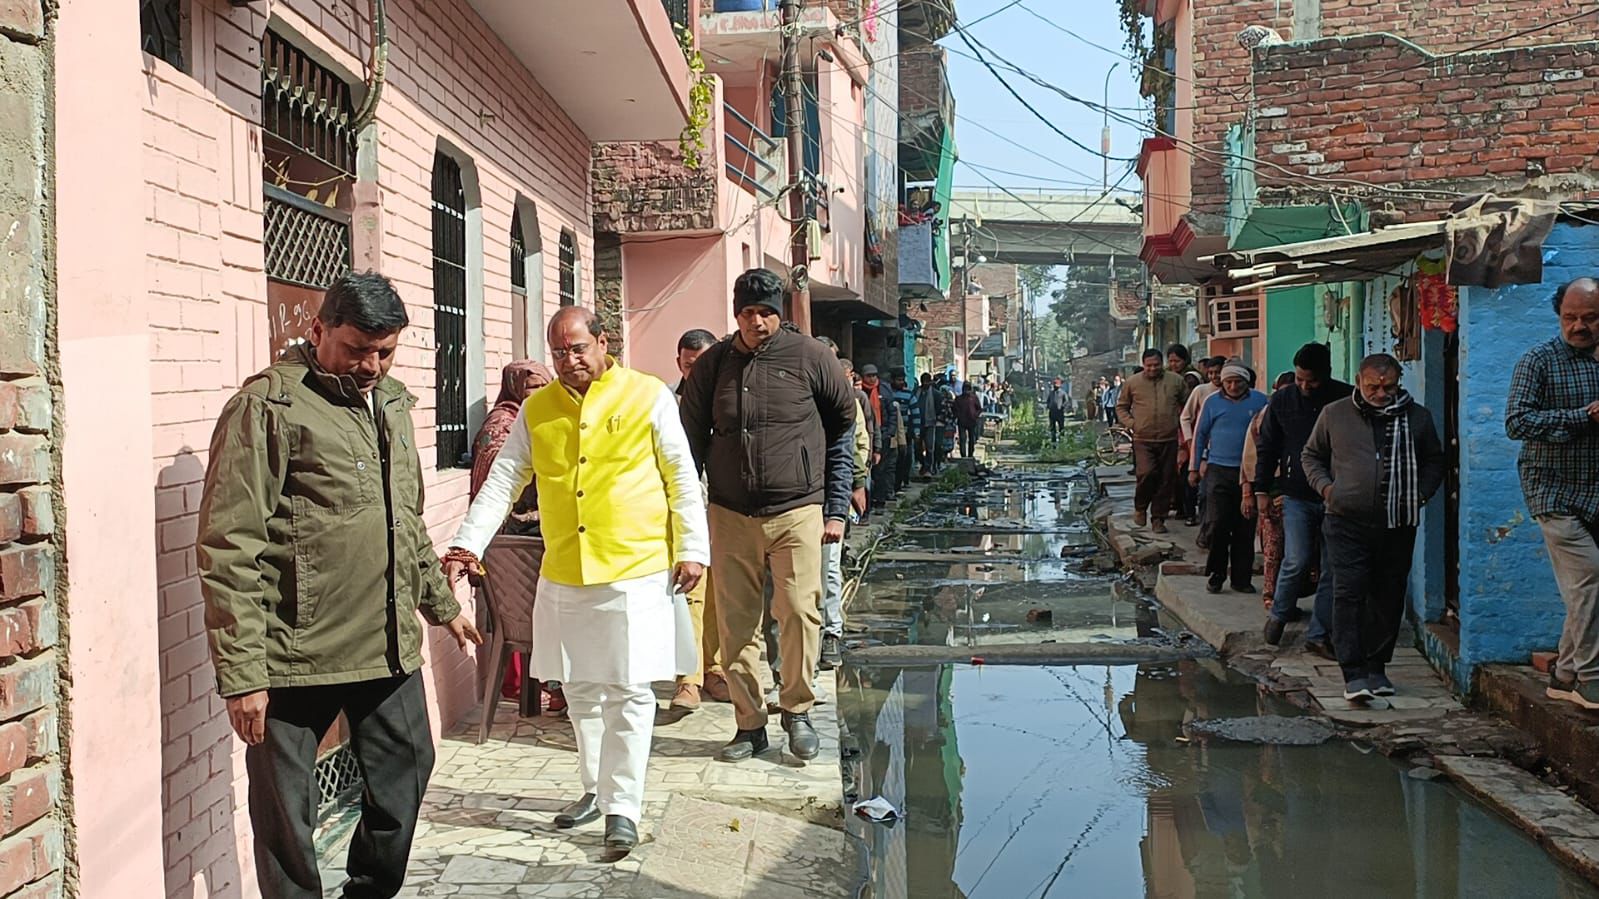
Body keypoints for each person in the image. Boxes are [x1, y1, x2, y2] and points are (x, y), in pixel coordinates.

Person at [196, 272, 483, 898]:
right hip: (293, 650)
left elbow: (403, 519)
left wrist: (440, 605)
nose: (372, 366)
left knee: (409, 768)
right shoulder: (267, 406)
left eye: (385, 352)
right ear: (318, 328)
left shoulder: (393, 403)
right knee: (285, 812)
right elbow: (230, 545)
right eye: (357, 349)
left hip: (385, 641)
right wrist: (243, 676)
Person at [445, 307, 707, 858]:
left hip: (635, 569)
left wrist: (692, 548)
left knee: (629, 691)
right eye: (559, 352)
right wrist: (468, 543)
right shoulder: (537, 409)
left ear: (603, 342)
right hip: (565, 570)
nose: (569, 360)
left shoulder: (648, 396)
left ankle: (623, 808)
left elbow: (681, 475)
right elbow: (503, 480)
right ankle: (594, 788)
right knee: (579, 689)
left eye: (578, 348)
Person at [680, 268, 855, 762]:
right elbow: (687, 443)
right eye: (746, 312)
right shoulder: (714, 365)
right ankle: (749, 724)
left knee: (798, 612)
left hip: (798, 509)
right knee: (736, 625)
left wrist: (836, 507)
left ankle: (797, 710)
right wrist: (690, 515)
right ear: (735, 313)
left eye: (765, 312)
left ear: (779, 313)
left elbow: (842, 431)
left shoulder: (812, 358)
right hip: (730, 512)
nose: (755, 322)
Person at [1302, 353, 1444, 703]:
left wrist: (1421, 494)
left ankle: (1377, 667)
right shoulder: (1335, 414)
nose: (1381, 394)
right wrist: (1327, 489)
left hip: (1398, 521)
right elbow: (1311, 455)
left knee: (1388, 593)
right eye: (1373, 387)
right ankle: (1352, 673)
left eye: (1389, 387)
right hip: (1345, 520)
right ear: (1359, 381)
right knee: (1349, 592)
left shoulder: (1417, 417)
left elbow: (1434, 460)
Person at [1506, 278, 1599, 709]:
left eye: (1590, 318)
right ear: (1558, 316)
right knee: (1591, 577)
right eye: (1570, 317)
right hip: (1551, 490)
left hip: (1594, 490)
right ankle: (1591, 678)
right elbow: (1517, 422)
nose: (1579, 326)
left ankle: (1563, 673)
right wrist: (1583, 417)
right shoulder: (1538, 361)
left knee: (1585, 588)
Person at [470, 360, 558, 709]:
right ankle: (531, 689)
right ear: (514, 387)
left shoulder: (545, 418)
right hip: (511, 538)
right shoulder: (503, 424)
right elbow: (500, 482)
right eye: (532, 387)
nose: (539, 393)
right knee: (525, 617)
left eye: (544, 386)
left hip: (542, 531)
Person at [1256, 343, 1354, 652]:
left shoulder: (1346, 400)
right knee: (1295, 559)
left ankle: (1318, 635)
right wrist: (1261, 489)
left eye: (1310, 380)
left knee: (1331, 566)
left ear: (1326, 374)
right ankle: (1279, 615)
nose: (1304, 386)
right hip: (1296, 493)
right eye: (1299, 379)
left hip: (1337, 496)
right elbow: (1268, 445)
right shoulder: (1283, 400)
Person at [671, 328, 728, 707]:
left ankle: (716, 669)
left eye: (703, 363)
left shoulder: (727, 400)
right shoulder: (665, 402)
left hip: (723, 508)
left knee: (719, 595)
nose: (696, 371)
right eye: (689, 364)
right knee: (689, 592)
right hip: (683, 511)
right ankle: (687, 678)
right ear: (679, 363)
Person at [1190, 361, 1268, 593]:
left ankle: (1241, 579)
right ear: (1222, 383)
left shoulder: (1261, 401)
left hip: (1250, 472)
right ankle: (1217, 574)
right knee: (1218, 524)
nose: (1233, 386)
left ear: (1246, 382)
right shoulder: (1211, 402)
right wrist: (1194, 467)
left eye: (1238, 382)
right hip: (1218, 470)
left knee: (1245, 526)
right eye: (1229, 382)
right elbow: (1200, 434)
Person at [1241, 372, 1297, 614]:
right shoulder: (1261, 419)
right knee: (1273, 545)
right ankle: (1272, 595)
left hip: (1302, 490)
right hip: (1271, 490)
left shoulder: (1308, 416)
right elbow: (1250, 458)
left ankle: (1290, 597)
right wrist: (1251, 492)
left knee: (1301, 550)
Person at [1117, 350, 1187, 534]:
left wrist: (1181, 427)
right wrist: (1132, 424)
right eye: (1149, 365)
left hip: (1169, 438)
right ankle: (1140, 507)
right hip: (1142, 438)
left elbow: (1187, 406)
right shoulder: (1133, 382)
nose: (1153, 368)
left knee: (1166, 480)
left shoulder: (1176, 381)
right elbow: (1121, 407)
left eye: (1156, 365)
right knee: (1146, 473)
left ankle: (1158, 519)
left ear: (1162, 363)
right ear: (1143, 364)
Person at [1179, 357, 1223, 528]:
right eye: (1210, 373)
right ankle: (1198, 520)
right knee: (1198, 484)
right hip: (1203, 447)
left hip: (1225, 449)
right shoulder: (1201, 391)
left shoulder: (1236, 393)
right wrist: (1190, 440)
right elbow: (1185, 417)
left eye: (1218, 372)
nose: (1214, 376)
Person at [861, 364, 899, 510]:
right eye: (869, 376)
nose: (872, 379)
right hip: (865, 433)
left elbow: (892, 413)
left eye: (874, 375)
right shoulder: (860, 391)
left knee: (881, 469)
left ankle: (880, 500)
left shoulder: (884, 390)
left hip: (882, 433)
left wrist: (889, 432)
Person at [893, 373, 915, 492]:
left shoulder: (908, 394)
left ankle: (903, 481)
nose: (901, 382)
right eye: (898, 379)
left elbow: (915, 412)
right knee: (894, 460)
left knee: (905, 458)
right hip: (892, 432)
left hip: (906, 432)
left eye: (902, 380)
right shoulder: (888, 394)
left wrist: (916, 431)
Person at [912, 372, 937, 476]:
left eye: (927, 381)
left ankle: (928, 468)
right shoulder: (916, 392)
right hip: (917, 424)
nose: (926, 384)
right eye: (924, 381)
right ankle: (923, 464)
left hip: (930, 423)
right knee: (917, 447)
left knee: (929, 447)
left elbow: (939, 407)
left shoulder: (935, 393)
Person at [954, 382, 982, 458]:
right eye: (965, 389)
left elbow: (979, 408)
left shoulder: (974, 398)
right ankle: (963, 455)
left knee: (972, 439)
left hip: (972, 421)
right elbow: (954, 409)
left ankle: (970, 454)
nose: (966, 390)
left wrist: (975, 415)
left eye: (968, 388)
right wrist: (958, 415)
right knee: (962, 439)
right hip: (962, 422)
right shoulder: (959, 398)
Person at [1046, 377, 1069, 442]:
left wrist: (1062, 407)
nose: (1055, 386)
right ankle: (1053, 440)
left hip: (1059, 412)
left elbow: (1066, 401)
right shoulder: (1051, 393)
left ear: (1059, 386)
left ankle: (1062, 440)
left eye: (1056, 385)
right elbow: (1048, 400)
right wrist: (1048, 406)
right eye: (1054, 385)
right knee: (1052, 427)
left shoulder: (1063, 393)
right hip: (1052, 412)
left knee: (1061, 427)